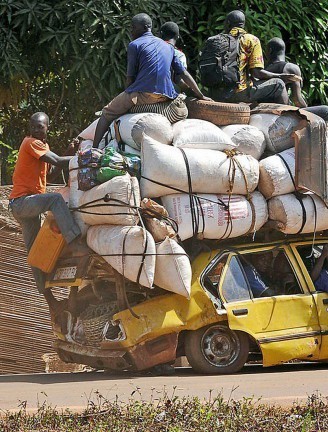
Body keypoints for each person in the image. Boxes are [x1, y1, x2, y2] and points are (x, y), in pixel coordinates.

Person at [92, 13, 209, 148]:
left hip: (143, 94)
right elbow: (183, 73)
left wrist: (126, 98)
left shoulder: (134, 45)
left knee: (107, 113)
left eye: (133, 27)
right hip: (167, 96)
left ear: (144, 28)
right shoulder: (169, 47)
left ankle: (94, 151)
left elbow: (130, 78)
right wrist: (201, 95)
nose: (131, 31)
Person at [9, 112, 81, 313]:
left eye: (40, 126)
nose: (36, 129)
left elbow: (51, 173)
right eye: (34, 126)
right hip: (22, 204)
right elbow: (58, 161)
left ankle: (52, 304)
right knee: (55, 199)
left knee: (35, 256)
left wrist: (69, 151)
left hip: (26, 208)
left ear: (47, 127)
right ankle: (75, 242)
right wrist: (81, 158)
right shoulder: (31, 143)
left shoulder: (42, 147)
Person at [207, 10, 301, 104]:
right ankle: (286, 115)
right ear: (243, 24)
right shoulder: (251, 40)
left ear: (227, 23)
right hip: (238, 93)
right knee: (278, 83)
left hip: (213, 93)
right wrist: (281, 76)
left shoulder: (214, 41)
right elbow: (257, 73)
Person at [265, 37, 328, 123]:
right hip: (282, 112)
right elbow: (297, 100)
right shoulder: (291, 68)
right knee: (326, 111)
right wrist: (306, 110)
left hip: (267, 111)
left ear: (270, 50)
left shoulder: (264, 71)